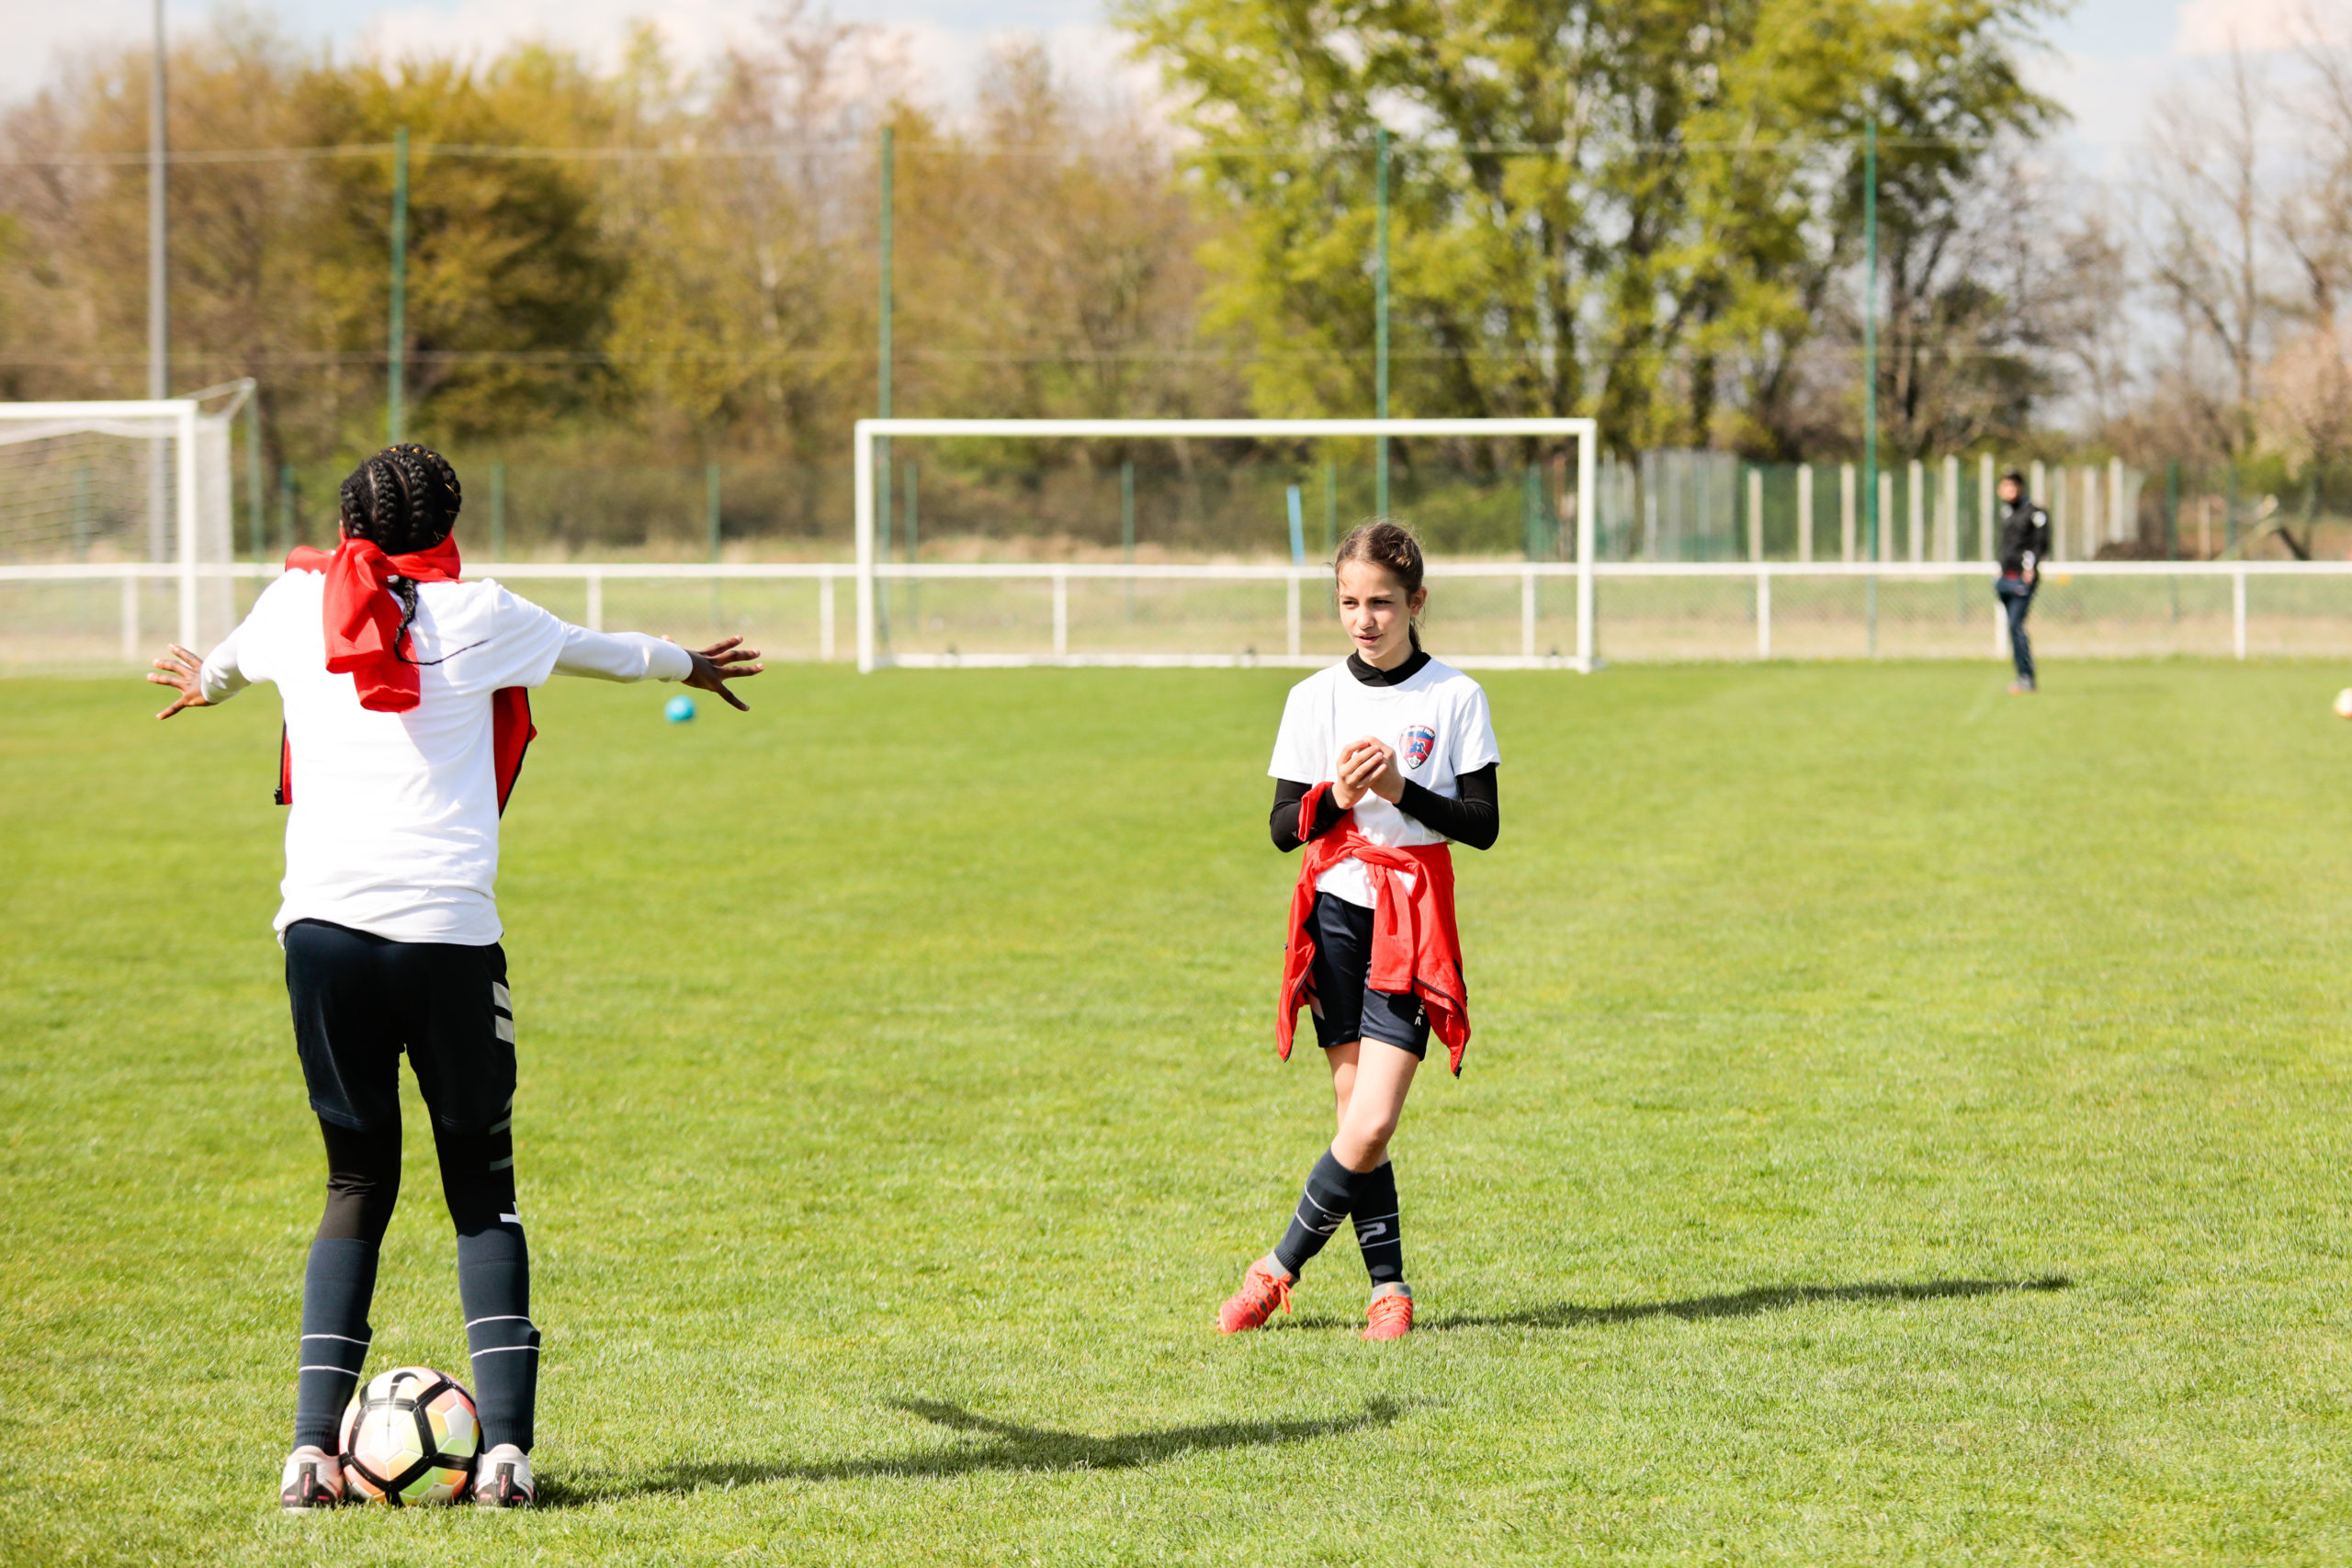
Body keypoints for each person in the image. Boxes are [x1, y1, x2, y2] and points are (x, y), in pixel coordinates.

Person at [144, 444, 762, 1510]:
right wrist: (688, 666)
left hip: (324, 940)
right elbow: (604, 652)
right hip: (447, 941)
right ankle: (507, 1458)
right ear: (446, 524)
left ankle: (306, 1456)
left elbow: (227, 670)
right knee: (482, 1187)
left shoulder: (295, 602)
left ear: (347, 524)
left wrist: (201, 681)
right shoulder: (485, 614)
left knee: (354, 1184)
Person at [1218, 520, 1499, 1343]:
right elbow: (1281, 827)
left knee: (1372, 1121)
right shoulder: (1313, 698)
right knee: (1354, 1116)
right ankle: (1390, 1290)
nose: (1364, 618)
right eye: (1349, 601)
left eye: (1381, 601)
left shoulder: (1455, 697)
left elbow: (1480, 825)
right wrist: (1338, 795)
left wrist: (1403, 787)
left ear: (1417, 601)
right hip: (1336, 917)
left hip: (1412, 921)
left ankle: (1273, 1271)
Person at [1995, 470, 2051, 694]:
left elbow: (2040, 544)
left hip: (2022, 577)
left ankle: (2026, 676)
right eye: (2006, 485)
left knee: (2015, 625)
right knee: (2013, 626)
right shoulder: (2006, 512)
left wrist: (2030, 567)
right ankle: (2022, 674)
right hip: (2005, 577)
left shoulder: (2035, 514)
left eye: (2013, 486)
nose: (2010, 490)